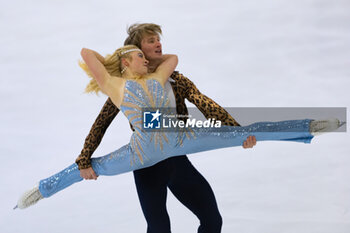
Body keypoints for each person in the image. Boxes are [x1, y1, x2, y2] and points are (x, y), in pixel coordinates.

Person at [16, 44, 342, 217]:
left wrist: (146, 61)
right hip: (142, 148)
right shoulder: (115, 86)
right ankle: (41, 191)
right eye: (140, 56)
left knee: (245, 130)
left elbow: (172, 58)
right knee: (92, 167)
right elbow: (87, 53)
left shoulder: (157, 79)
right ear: (126, 63)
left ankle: (308, 126)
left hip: (175, 131)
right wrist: (116, 59)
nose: (147, 59)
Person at [77, 23, 256, 233]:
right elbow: (101, 124)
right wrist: (84, 159)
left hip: (176, 158)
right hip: (147, 164)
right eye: (151, 41)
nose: (158, 44)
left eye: (158, 39)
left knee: (212, 220)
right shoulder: (125, 88)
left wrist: (237, 132)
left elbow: (206, 105)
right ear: (137, 51)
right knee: (159, 228)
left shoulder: (174, 80)